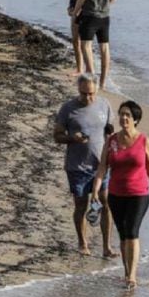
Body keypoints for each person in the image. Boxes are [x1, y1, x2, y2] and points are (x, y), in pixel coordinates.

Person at [91, 101, 149, 288]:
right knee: (123, 235)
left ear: (136, 119)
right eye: (121, 114)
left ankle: (132, 275)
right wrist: (96, 191)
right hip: (116, 195)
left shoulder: (144, 141)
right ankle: (126, 271)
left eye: (128, 115)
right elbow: (102, 168)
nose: (123, 118)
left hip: (138, 194)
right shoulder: (112, 141)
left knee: (132, 231)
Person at [53, 74, 117, 258]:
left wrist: (111, 138)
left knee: (105, 204)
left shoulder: (104, 104)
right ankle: (82, 243)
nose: (87, 98)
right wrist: (72, 138)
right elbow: (56, 136)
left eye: (91, 94)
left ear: (96, 90)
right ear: (78, 90)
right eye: (83, 94)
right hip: (77, 166)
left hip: (101, 165)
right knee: (81, 205)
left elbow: (109, 128)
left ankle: (107, 247)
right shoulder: (68, 108)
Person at [72, 0, 117, 90]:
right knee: (105, 49)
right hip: (105, 17)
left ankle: (91, 77)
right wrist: (104, 5)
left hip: (90, 16)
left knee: (86, 45)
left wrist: (75, 12)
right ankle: (103, 83)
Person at [67, 0, 89, 75]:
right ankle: (79, 68)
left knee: (85, 43)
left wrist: (78, 10)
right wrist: (70, 8)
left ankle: (88, 69)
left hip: (85, 13)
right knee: (75, 41)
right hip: (74, 13)